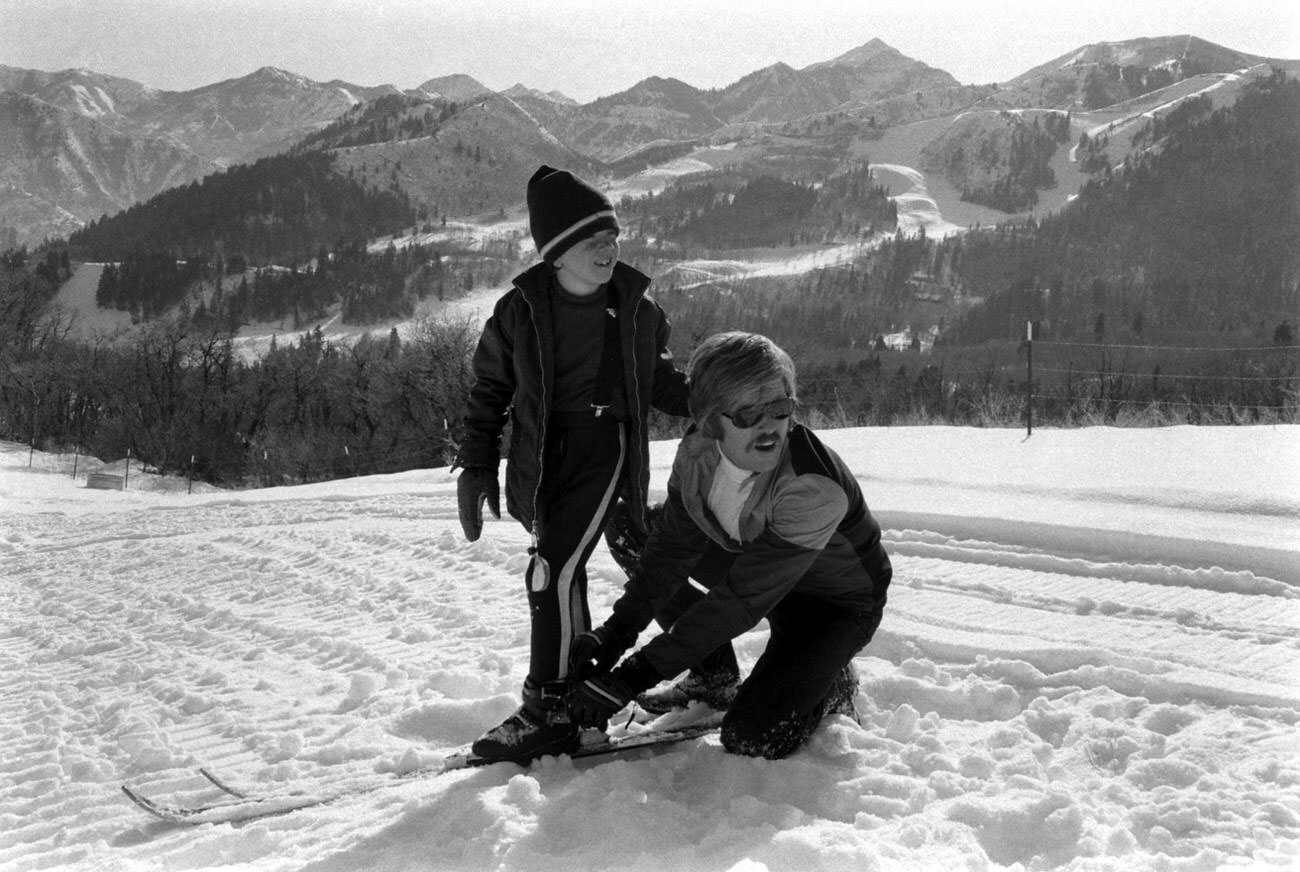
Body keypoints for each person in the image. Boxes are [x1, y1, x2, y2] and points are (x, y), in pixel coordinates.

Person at [455, 165, 691, 763]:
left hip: (607, 447)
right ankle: (712, 668)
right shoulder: (520, 312)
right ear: (557, 253)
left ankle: (552, 709)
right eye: (595, 240)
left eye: (614, 237)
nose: (610, 249)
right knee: (642, 558)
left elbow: (659, 380)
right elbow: (490, 390)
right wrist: (479, 463)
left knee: (552, 573)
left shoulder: (634, 308)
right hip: (548, 456)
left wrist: (719, 398)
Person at [567, 331, 892, 760]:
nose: (768, 426)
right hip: (754, 561)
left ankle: (829, 683)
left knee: (751, 738)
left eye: (779, 408)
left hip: (833, 604)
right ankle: (712, 677)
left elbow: (739, 601)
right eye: (746, 412)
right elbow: (669, 553)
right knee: (634, 530)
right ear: (710, 420)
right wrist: (615, 635)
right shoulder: (698, 451)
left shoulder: (811, 486)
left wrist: (631, 677)